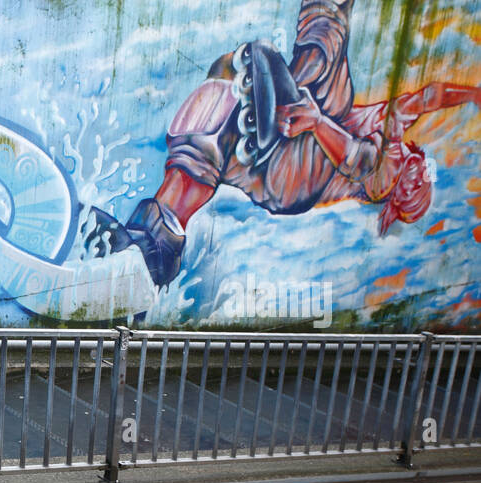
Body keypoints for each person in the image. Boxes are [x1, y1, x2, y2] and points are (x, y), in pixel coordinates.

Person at [98, 0, 481, 287]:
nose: (416, 186)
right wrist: (473, 93)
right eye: (421, 185)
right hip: (270, 163)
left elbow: (360, 163)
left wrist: (315, 121)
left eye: (412, 197)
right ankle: (153, 242)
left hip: (295, 180)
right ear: (418, 158)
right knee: (220, 111)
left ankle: (288, 99)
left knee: (331, 89)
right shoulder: (393, 124)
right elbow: (430, 96)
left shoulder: (384, 175)